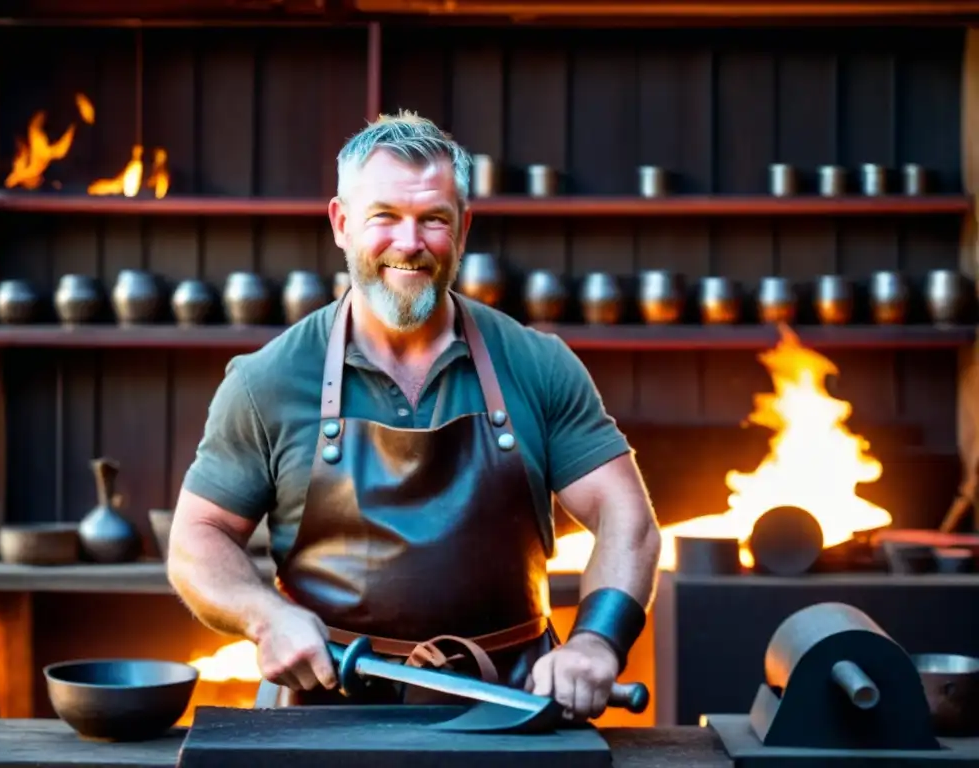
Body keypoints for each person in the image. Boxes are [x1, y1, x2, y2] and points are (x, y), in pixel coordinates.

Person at [166, 111, 662, 722]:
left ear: (463, 229)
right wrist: (263, 614)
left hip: (510, 708)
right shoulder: (266, 380)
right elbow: (197, 537)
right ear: (341, 223)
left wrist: (595, 641)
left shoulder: (539, 365)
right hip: (324, 715)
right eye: (385, 218)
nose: (409, 243)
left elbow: (626, 519)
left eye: (433, 219)